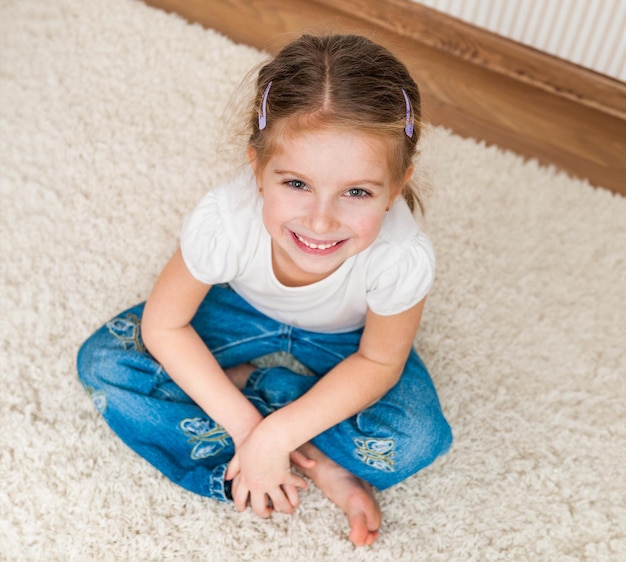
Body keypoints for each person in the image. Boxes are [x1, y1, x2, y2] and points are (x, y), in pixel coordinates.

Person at [77, 34, 452, 547]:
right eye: (296, 184)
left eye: (357, 192)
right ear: (257, 167)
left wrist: (276, 435)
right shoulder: (226, 220)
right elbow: (164, 325)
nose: (321, 221)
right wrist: (245, 428)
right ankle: (280, 451)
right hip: (237, 309)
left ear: (397, 184)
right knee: (106, 363)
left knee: (416, 439)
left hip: (346, 341)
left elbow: (379, 363)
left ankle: (277, 423)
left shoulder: (402, 255)